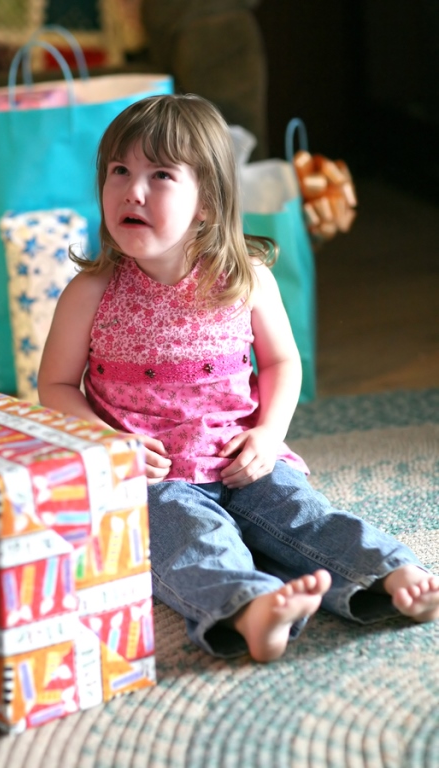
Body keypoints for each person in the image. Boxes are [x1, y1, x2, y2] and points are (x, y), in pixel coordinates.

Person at [38, 94, 439, 662]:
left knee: (303, 514)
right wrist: (109, 442)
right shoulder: (92, 292)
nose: (133, 190)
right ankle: (251, 610)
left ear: (206, 201)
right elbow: (54, 386)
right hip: (155, 478)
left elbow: (282, 363)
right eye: (119, 171)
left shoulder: (245, 278)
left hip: (241, 458)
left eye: (160, 175)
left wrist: (270, 435)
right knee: (189, 541)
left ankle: (388, 577)